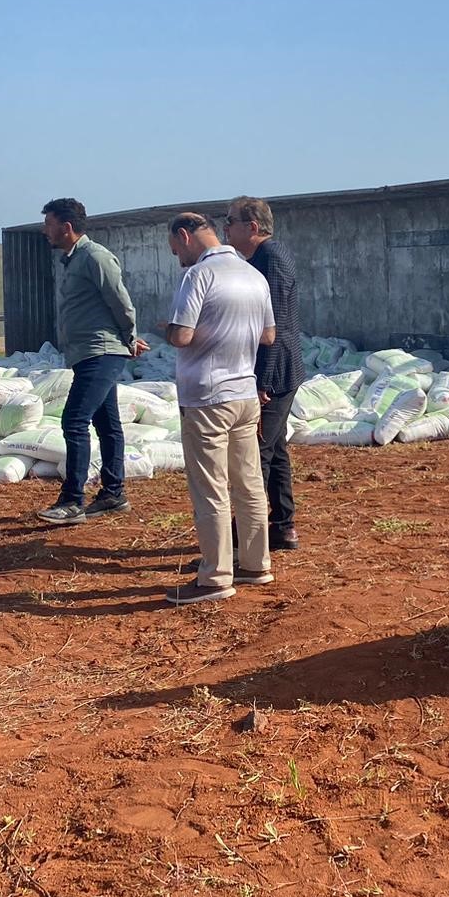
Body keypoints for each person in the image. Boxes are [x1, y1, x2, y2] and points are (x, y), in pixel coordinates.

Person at [158, 213, 278, 605]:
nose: (178, 257)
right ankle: (255, 563)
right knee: (248, 482)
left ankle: (214, 577)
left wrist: (167, 328)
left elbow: (182, 335)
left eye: (176, 249)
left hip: (206, 396)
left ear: (185, 235)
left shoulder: (198, 276)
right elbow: (268, 334)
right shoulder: (252, 275)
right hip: (244, 393)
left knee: (210, 488)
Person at [37, 198, 149, 526]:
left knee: (74, 420)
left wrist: (128, 339)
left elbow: (121, 301)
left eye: (49, 224)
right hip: (88, 353)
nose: (46, 231)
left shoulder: (95, 257)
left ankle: (73, 500)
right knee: (106, 424)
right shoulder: (72, 260)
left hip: (102, 353)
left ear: (66, 227)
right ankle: (114, 493)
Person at [225, 196, 305, 552]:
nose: (224, 229)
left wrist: (261, 382)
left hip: (276, 371)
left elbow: (272, 326)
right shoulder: (266, 257)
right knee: (275, 448)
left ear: (252, 227)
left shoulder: (269, 260)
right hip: (284, 368)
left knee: (255, 451)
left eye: (230, 222)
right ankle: (283, 526)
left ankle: (248, 532)